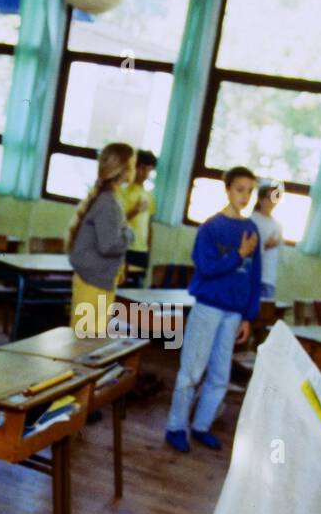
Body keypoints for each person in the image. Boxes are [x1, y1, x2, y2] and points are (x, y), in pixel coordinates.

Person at [164, 166, 262, 453]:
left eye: (250, 191)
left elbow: (254, 277)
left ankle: (201, 426)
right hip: (208, 308)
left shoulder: (252, 229)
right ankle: (175, 427)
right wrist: (238, 255)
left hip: (233, 313)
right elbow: (206, 268)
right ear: (228, 189)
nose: (245, 197)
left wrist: (248, 316)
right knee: (192, 371)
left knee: (220, 375)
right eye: (239, 190)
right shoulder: (210, 227)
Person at [69, 143, 135, 336]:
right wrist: (129, 235)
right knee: (85, 342)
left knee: (90, 340)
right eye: (132, 163)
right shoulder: (108, 202)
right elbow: (108, 245)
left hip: (96, 280)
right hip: (93, 283)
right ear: (123, 168)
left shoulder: (109, 197)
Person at [120, 149, 156, 274]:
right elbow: (114, 222)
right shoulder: (122, 191)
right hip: (124, 248)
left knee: (134, 288)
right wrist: (135, 211)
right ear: (133, 167)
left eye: (149, 169)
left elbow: (149, 226)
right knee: (108, 290)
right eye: (142, 168)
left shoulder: (149, 195)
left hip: (141, 251)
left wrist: (148, 251)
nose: (145, 173)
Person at [250, 180, 283, 300]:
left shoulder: (277, 224)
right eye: (268, 197)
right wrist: (264, 246)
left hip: (269, 279)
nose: (271, 202)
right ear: (260, 199)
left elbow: (278, 256)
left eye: (275, 198)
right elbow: (247, 251)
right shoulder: (252, 220)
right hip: (254, 276)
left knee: (265, 315)